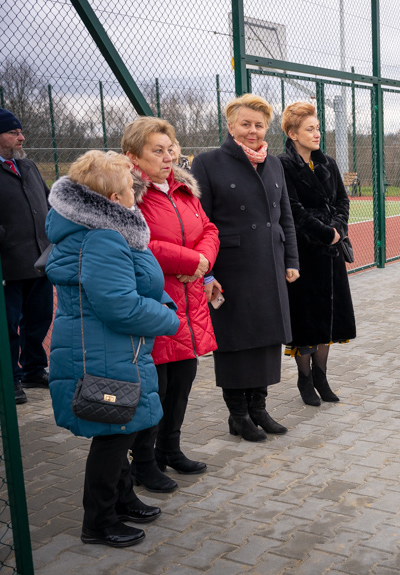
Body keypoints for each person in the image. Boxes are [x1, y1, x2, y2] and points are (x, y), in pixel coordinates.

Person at [45, 150, 180, 547]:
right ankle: (99, 521)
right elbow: (120, 305)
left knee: (122, 426)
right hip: (104, 350)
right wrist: (170, 318)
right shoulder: (103, 237)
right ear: (114, 200)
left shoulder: (103, 231)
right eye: (128, 186)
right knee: (113, 435)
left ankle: (122, 500)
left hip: (116, 348)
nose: (136, 190)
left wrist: (160, 306)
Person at [191, 94, 300, 442]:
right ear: (230, 125)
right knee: (236, 343)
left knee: (266, 339)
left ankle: (259, 408)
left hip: (270, 262)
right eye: (245, 124)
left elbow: (285, 216)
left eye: (259, 125)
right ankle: (237, 415)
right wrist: (207, 272)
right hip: (232, 267)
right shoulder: (208, 162)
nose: (252, 131)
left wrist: (292, 260)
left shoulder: (274, 163)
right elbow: (200, 222)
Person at [122, 119, 220, 492]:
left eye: (171, 148)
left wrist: (203, 262)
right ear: (133, 156)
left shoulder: (184, 189)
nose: (168, 157)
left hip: (190, 299)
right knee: (154, 389)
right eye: (157, 151)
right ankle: (142, 461)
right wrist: (187, 261)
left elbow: (209, 229)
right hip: (156, 300)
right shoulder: (129, 193)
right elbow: (138, 241)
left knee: (182, 381)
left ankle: (170, 449)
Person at [277, 102, 356, 405]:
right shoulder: (283, 165)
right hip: (304, 254)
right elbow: (292, 209)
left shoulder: (328, 163)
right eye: (309, 129)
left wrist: (336, 229)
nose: (317, 133)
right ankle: (305, 379)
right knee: (306, 319)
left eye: (318, 128)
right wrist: (324, 233)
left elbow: (342, 202)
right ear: (292, 133)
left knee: (328, 318)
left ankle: (321, 376)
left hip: (331, 254)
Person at [0, 108, 52, 405]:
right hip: (8, 263)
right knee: (7, 325)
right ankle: (10, 378)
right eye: (13, 132)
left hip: (41, 260)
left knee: (40, 319)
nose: (21, 137)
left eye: (20, 132)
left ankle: (34, 369)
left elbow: (47, 200)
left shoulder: (28, 166)